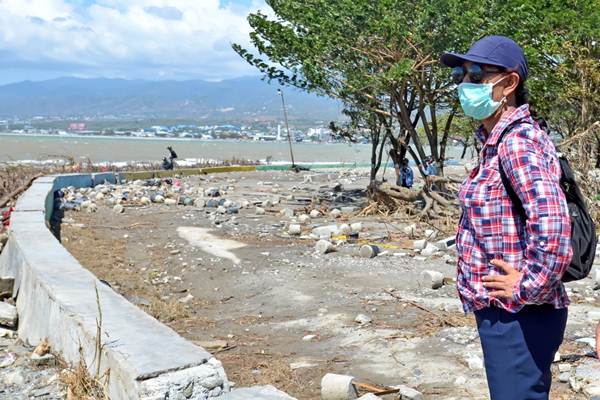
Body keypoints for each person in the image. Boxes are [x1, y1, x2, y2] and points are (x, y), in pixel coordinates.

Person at [441, 35, 572, 400]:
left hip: (518, 313)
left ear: (509, 83)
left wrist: (527, 286)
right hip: (507, 311)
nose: (466, 85)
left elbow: (554, 223)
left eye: (478, 75)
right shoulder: (497, 141)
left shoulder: (517, 142)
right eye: (460, 75)